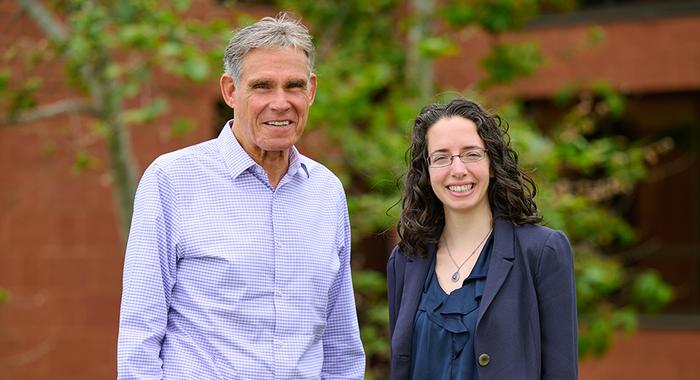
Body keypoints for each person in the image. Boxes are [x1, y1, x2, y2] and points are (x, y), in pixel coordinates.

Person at [117, 14, 365, 379]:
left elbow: (341, 345)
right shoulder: (172, 180)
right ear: (230, 90)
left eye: (293, 86)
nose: (280, 103)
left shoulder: (326, 192)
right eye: (262, 86)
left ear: (311, 90)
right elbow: (139, 335)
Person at [387, 99, 577, 379]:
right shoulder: (406, 260)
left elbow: (561, 372)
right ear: (426, 173)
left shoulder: (542, 251)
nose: (458, 169)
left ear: (492, 162)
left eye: (471, 154)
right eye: (441, 157)